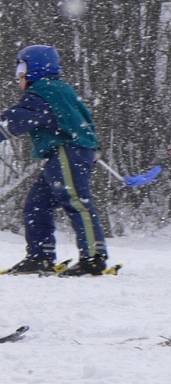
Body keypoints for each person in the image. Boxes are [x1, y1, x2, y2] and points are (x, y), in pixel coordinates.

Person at [0, 44, 108, 276]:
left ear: (34, 68)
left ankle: (93, 257)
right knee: (36, 205)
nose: (18, 74)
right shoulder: (57, 89)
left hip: (68, 151)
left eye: (21, 67)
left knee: (76, 202)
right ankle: (40, 257)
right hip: (69, 152)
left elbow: (18, 120)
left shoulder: (42, 91)